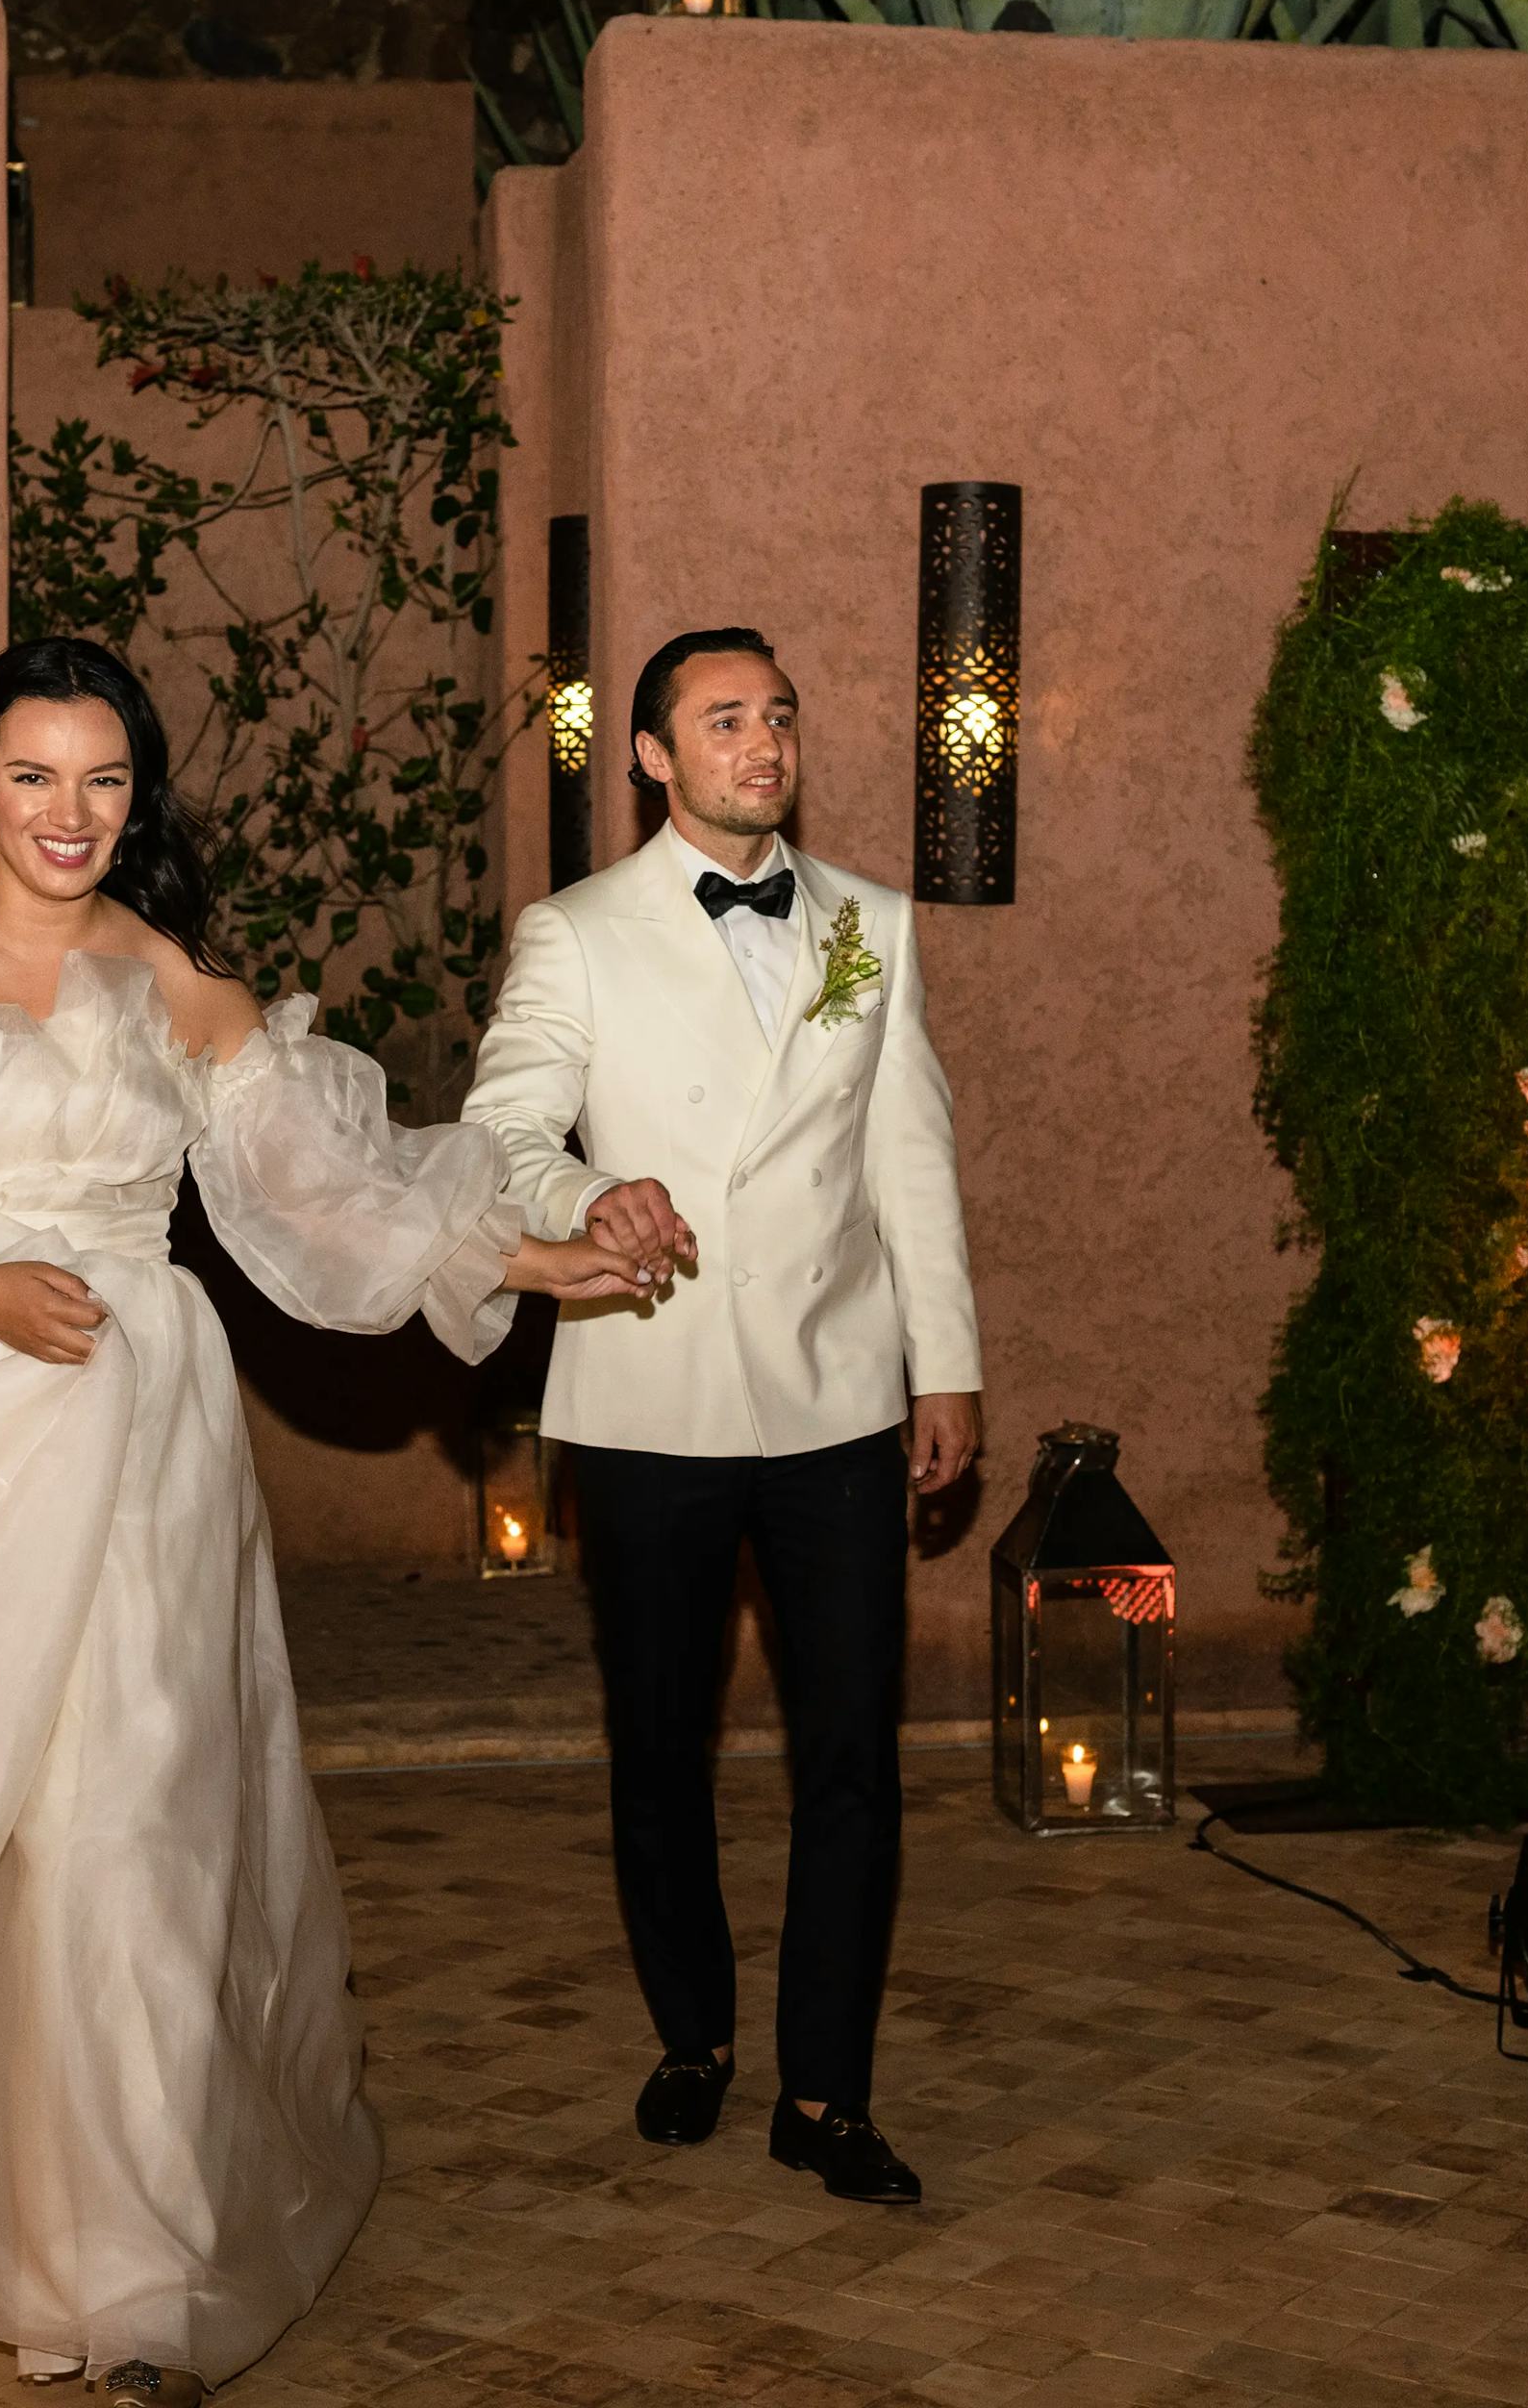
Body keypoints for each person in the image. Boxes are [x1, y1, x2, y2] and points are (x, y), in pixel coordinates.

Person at [0, 637, 653, 2398]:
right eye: (31, 777)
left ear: (135, 798)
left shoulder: (172, 985)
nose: (67, 814)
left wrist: (554, 1263)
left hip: (141, 1440)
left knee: (129, 1826)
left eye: (103, 781)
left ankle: (131, 2268)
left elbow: (345, 1203)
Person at [459, 626, 983, 2205]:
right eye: (723, 719)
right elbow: (500, 1133)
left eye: (779, 716)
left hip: (833, 1397)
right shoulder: (579, 933)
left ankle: (826, 2094)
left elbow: (911, 1158)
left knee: (851, 1761)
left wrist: (941, 1362)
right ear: (653, 758)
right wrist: (589, 1191)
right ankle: (694, 2034)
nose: (763, 742)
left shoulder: (871, 927)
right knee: (660, 1748)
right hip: (647, 1391)